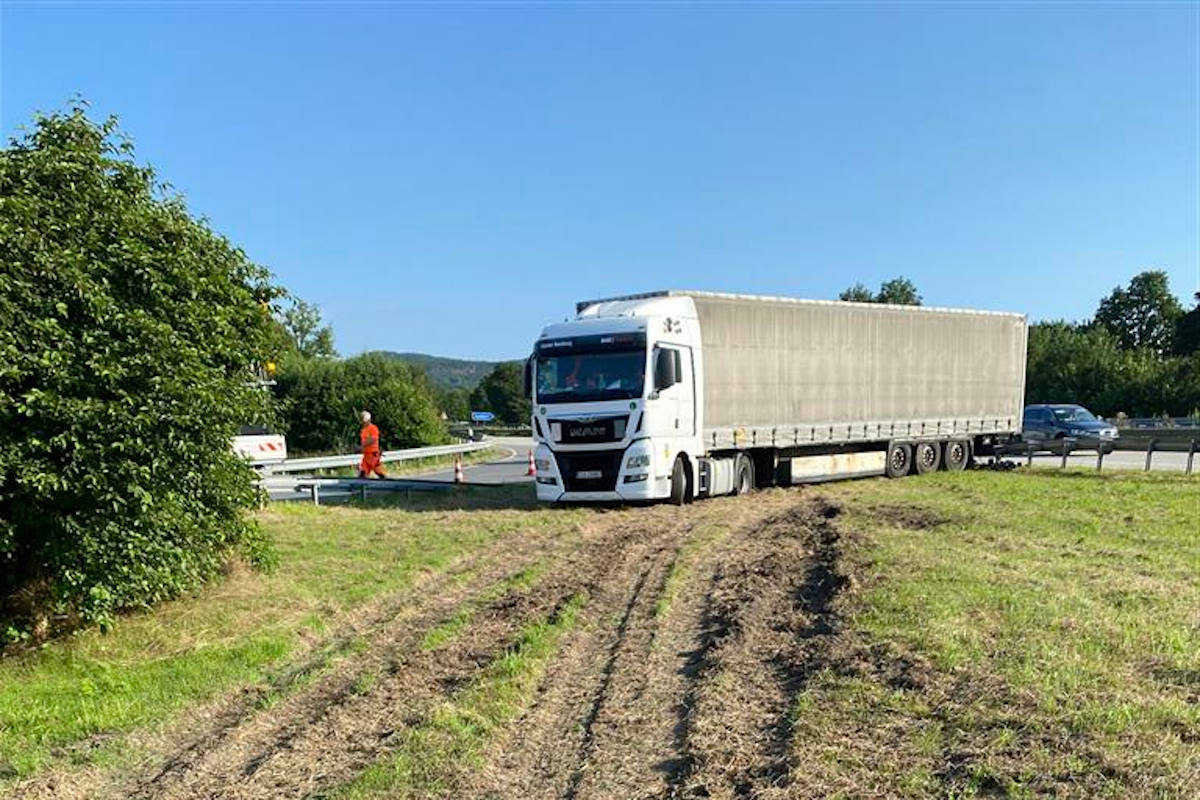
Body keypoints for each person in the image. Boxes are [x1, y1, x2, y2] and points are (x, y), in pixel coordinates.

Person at [358, 410, 387, 478]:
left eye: (362, 418)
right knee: (363, 472)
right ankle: (360, 486)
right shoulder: (364, 430)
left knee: (378, 471)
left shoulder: (373, 428)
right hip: (366, 455)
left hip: (373, 455)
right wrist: (361, 448)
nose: (361, 420)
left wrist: (362, 446)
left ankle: (387, 483)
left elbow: (373, 439)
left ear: (367, 419)